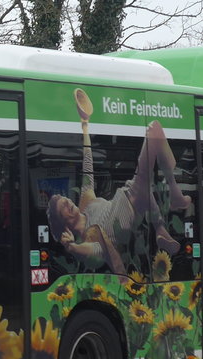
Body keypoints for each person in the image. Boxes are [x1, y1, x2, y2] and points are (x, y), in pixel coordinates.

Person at [46, 87, 190, 276]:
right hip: (127, 207)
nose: (69, 202)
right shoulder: (85, 239)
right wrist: (72, 247)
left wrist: (85, 125)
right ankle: (171, 203)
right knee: (154, 129)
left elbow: (87, 166)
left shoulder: (85, 203)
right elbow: (95, 251)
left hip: (130, 196)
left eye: (66, 200)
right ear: (63, 222)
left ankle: (162, 225)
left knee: (154, 134)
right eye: (64, 206)